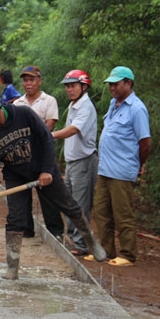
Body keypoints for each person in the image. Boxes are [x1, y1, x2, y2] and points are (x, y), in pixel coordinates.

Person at [0, 91, 106, 279]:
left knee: (67, 204)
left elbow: (46, 138)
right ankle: (12, 267)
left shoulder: (23, 114)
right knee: (15, 218)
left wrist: (46, 170)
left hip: (42, 167)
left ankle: (90, 240)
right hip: (15, 174)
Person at [91, 66, 151, 266]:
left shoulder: (137, 109)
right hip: (105, 169)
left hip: (122, 170)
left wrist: (139, 164)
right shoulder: (113, 104)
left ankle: (127, 254)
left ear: (128, 83)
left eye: (116, 84)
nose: (112, 88)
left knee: (123, 213)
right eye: (110, 84)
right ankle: (107, 251)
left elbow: (145, 143)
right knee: (101, 211)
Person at [13, 65, 63, 239]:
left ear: (39, 81)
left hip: (42, 154)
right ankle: (26, 228)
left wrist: (29, 137)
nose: (28, 83)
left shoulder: (49, 101)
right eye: (25, 80)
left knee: (48, 194)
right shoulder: (18, 103)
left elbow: (48, 127)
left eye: (32, 80)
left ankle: (55, 232)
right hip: (23, 156)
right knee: (22, 194)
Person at [53, 70, 98, 256]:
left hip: (83, 161)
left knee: (80, 204)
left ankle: (82, 244)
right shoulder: (75, 105)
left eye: (73, 86)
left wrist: (51, 135)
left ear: (84, 86)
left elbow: (73, 130)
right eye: (67, 86)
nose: (69, 89)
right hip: (73, 162)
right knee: (69, 201)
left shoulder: (85, 107)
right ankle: (74, 238)